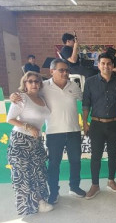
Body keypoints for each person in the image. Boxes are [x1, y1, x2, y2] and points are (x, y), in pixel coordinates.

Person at [10, 59, 87, 205]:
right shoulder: (43, 86)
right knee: (53, 164)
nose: (65, 73)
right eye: (61, 70)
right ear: (52, 71)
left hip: (73, 131)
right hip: (54, 133)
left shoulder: (74, 86)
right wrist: (15, 94)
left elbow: (86, 99)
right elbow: (26, 90)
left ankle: (74, 187)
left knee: (75, 161)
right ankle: (54, 192)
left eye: (67, 70)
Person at [83, 52, 116, 199]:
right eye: (103, 63)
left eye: (109, 63)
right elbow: (86, 105)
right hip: (96, 124)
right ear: (98, 64)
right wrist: (85, 123)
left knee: (113, 154)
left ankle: (111, 181)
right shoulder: (90, 82)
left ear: (113, 66)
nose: (106, 66)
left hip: (115, 123)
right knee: (96, 155)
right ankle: (95, 185)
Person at [7, 71, 52, 215]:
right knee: (24, 175)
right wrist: (29, 126)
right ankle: (30, 205)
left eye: (37, 81)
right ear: (25, 84)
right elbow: (10, 118)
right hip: (21, 141)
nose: (34, 84)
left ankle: (40, 201)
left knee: (38, 172)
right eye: (30, 81)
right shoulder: (21, 98)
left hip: (35, 141)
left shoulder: (42, 98)